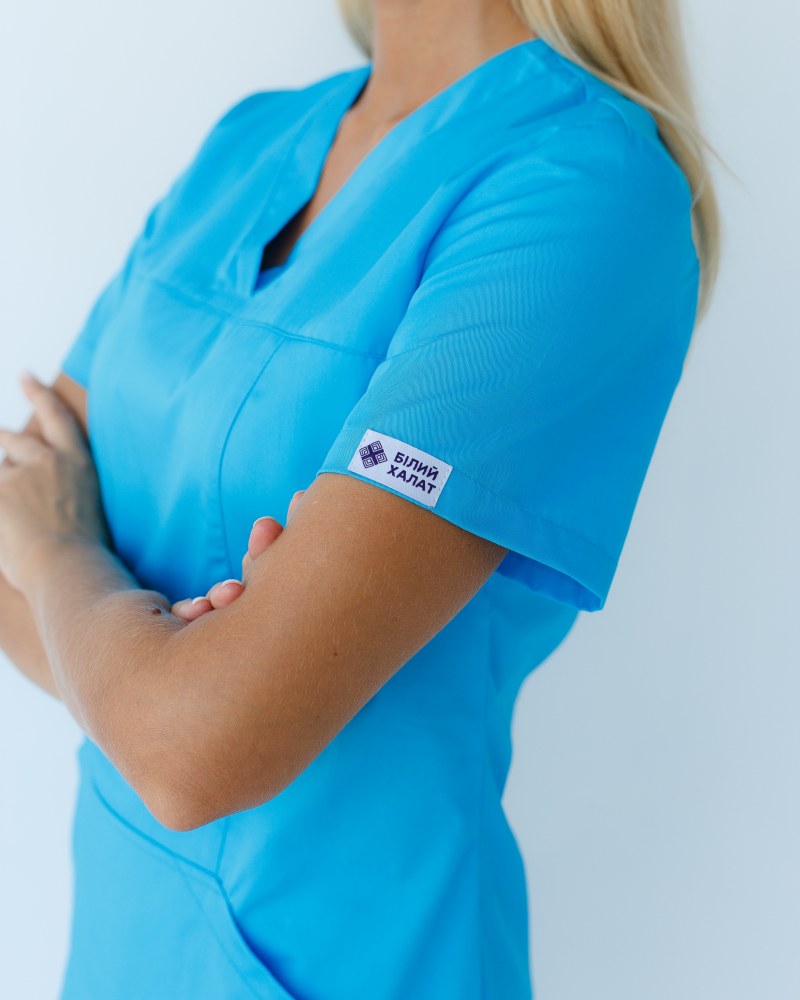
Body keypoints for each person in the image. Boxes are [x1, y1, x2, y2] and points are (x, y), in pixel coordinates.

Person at [0, 0, 721, 996]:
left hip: (354, 957)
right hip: (121, 946)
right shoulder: (250, 141)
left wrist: (57, 556)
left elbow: (191, 750)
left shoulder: (582, 184)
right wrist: (155, 681)